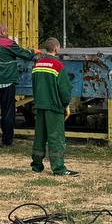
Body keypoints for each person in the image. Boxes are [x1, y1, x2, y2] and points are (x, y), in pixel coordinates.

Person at [0, 23, 35, 148]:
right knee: (7, 112)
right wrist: (33, 51)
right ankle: (7, 141)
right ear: (3, 31)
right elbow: (25, 54)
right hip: (6, 82)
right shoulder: (8, 43)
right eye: (6, 31)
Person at [31, 37, 77, 176]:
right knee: (55, 137)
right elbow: (64, 89)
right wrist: (65, 104)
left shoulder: (37, 65)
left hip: (40, 105)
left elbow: (34, 85)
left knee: (40, 136)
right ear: (56, 48)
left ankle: (37, 165)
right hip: (54, 107)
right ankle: (59, 168)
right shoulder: (58, 66)